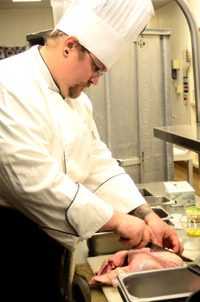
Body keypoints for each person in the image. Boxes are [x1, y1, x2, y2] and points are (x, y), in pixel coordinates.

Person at [0, 0, 183, 301]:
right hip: (14, 245)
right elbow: (34, 183)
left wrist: (147, 215)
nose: (96, 80)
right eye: (96, 68)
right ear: (70, 45)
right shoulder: (8, 84)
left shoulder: (78, 101)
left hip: (56, 245)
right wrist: (116, 220)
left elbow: (98, 163)